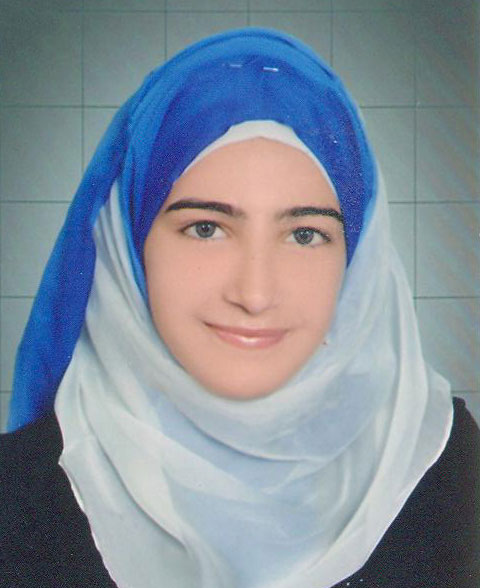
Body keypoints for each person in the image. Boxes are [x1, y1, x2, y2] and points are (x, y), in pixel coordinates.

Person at [0, 28, 478, 588]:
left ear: (358, 264)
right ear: (127, 245)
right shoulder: (20, 496)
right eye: (206, 228)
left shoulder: (447, 470)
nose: (254, 294)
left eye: (304, 235)